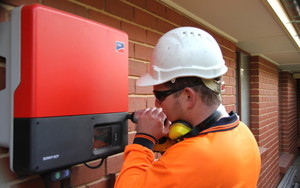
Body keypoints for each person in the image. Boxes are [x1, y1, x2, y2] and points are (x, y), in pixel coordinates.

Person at [115, 27, 261, 188]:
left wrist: (144, 140)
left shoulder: (192, 156)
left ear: (188, 96)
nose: (157, 104)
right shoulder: (243, 132)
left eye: (159, 96)